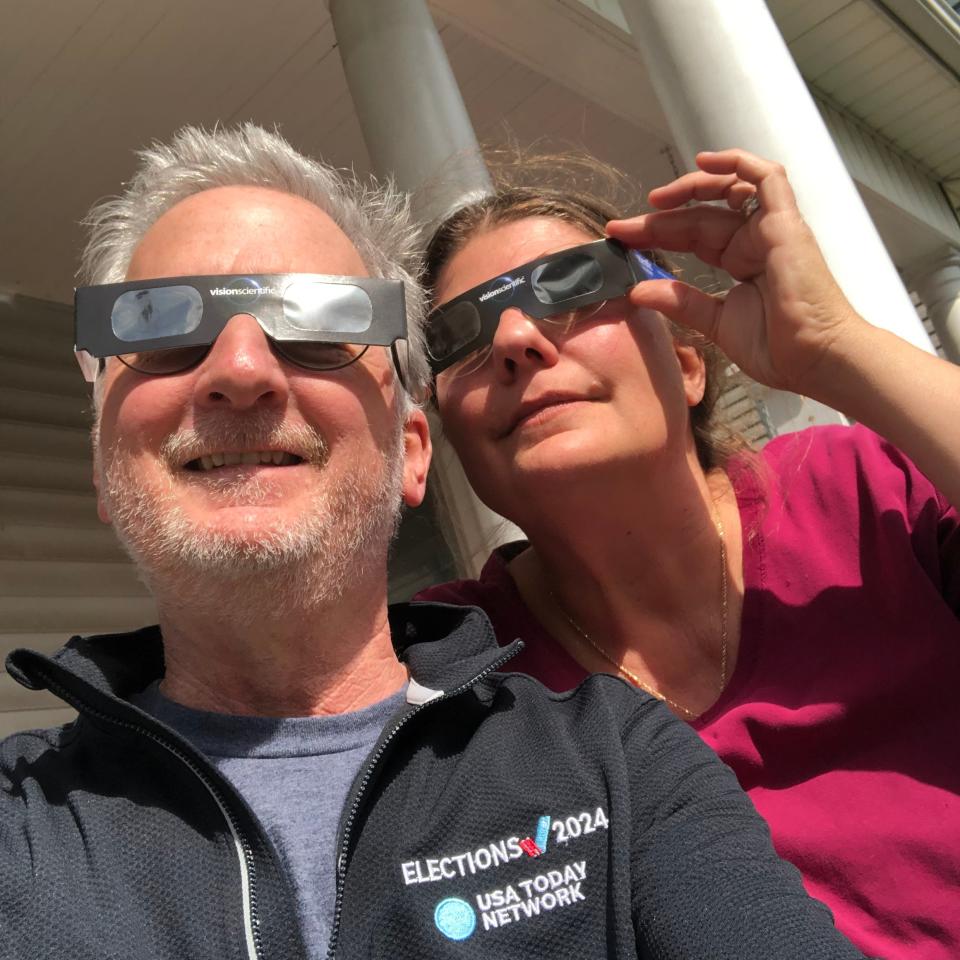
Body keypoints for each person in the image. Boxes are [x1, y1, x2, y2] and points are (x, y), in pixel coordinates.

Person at [0, 127, 865, 959]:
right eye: (158, 327)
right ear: (104, 469)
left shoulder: (619, 761)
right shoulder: (17, 818)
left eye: (318, 322)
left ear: (412, 452)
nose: (239, 368)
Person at [416, 147, 960, 960]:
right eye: (456, 336)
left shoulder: (861, 496)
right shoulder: (451, 668)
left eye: (570, 287)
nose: (517, 340)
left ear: (686, 363)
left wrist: (836, 345)